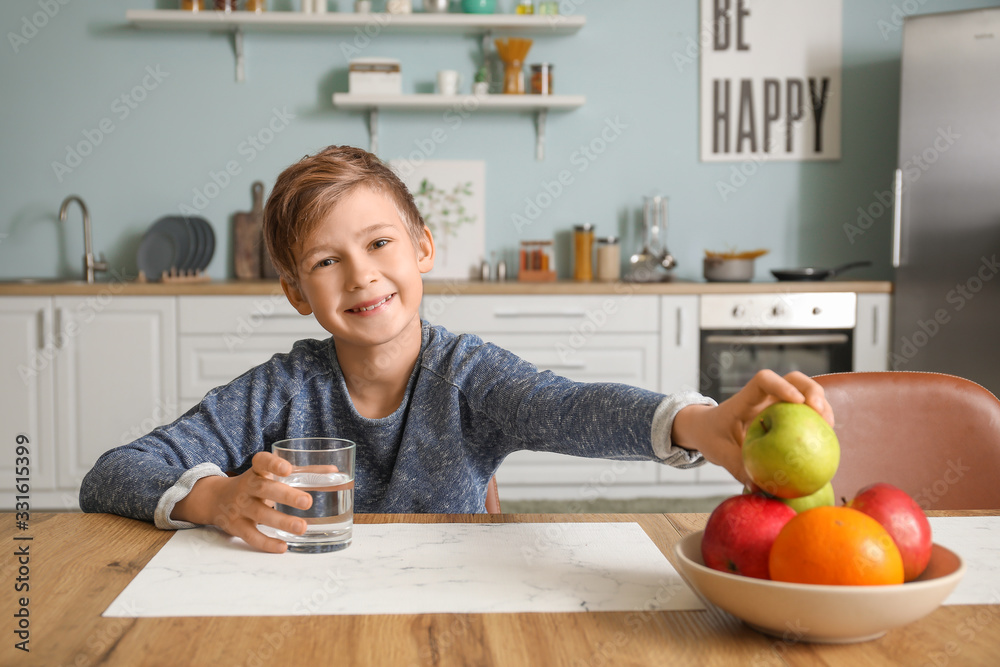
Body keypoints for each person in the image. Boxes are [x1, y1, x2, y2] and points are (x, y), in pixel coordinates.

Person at [80, 145, 833, 553]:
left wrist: (697, 424)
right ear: (296, 293)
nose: (362, 273)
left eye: (378, 243)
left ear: (423, 248)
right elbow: (112, 472)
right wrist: (213, 496)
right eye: (325, 260)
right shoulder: (281, 388)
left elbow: (566, 406)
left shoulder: (467, 374)